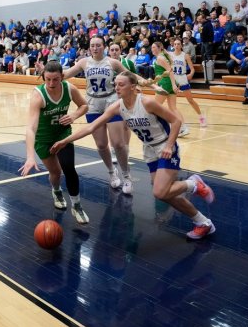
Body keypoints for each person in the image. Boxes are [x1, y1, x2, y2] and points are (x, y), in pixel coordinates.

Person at [51, 72, 217, 240]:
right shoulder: (117, 106)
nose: (116, 88)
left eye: (121, 84)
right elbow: (91, 127)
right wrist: (65, 141)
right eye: (115, 84)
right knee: (166, 194)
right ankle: (203, 223)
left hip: (166, 146)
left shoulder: (147, 103)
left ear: (133, 87)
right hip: (150, 149)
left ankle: (193, 184)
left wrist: (169, 145)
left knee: (160, 192)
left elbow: (176, 121)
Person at [19, 61, 90, 224]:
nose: (51, 83)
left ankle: (77, 205)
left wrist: (74, 116)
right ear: (43, 77)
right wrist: (30, 157)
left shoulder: (69, 88)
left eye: (55, 79)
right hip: (43, 139)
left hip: (62, 134)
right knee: (56, 173)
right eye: (48, 79)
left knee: (69, 168)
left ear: (62, 77)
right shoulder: (38, 95)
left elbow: (84, 105)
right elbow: (30, 128)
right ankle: (57, 190)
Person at [63, 35, 134, 193]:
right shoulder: (83, 62)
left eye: (98, 45)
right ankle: (111, 173)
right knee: (101, 145)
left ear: (104, 46)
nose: (95, 48)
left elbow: (130, 76)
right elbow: (66, 74)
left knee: (118, 143)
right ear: (89, 47)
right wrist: (48, 70)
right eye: (92, 45)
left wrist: (145, 83)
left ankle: (126, 175)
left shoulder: (113, 62)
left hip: (111, 101)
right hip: (93, 104)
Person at [150, 42, 190, 137]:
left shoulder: (160, 58)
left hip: (166, 84)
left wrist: (173, 85)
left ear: (159, 48)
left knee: (155, 107)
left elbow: (170, 71)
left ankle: (159, 127)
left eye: (154, 47)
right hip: (167, 83)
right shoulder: (163, 56)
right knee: (173, 107)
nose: (152, 49)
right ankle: (183, 128)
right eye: (151, 47)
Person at [170, 38, 207, 127]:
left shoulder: (185, 55)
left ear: (181, 45)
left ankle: (201, 117)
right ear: (173, 45)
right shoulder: (170, 55)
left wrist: (191, 74)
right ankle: (175, 121)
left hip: (182, 78)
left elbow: (192, 69)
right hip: (173, 79)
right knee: (172, 104)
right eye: (175, 44)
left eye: (178, 44)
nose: (176, 45)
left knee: (190, 100)